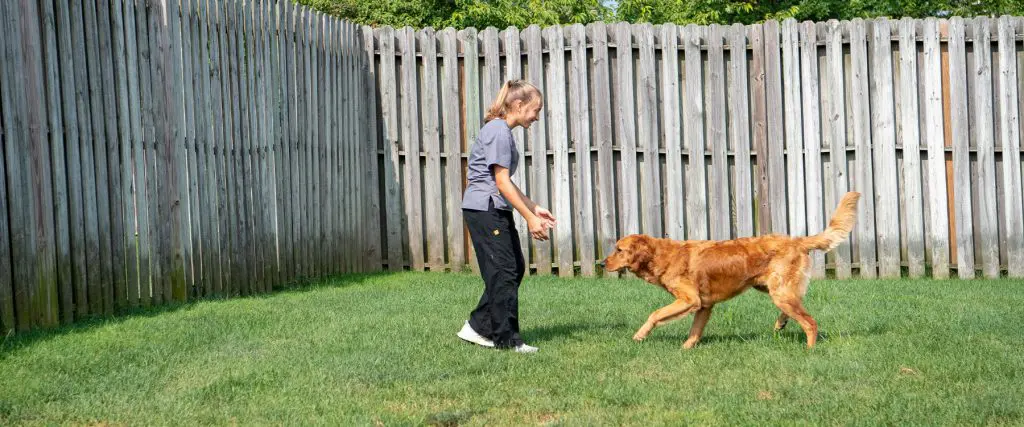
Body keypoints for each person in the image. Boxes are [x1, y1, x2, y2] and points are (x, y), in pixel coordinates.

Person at [456, 79, 556, 353]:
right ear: (519, 105)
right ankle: (507, 339)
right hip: (485, 208)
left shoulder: (500, 130)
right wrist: (530, 219)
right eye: (536, 109)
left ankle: (478, 326)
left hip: (491, 207)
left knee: (513, 268)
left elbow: (504, 181)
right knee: (504, 271)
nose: (537, 116)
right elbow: (501, 182)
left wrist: (533, 207)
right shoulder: (499, 131)